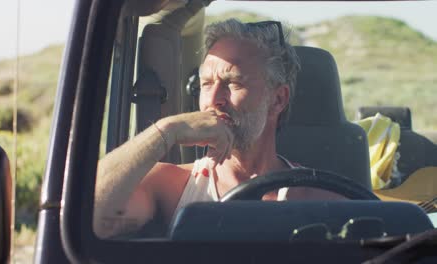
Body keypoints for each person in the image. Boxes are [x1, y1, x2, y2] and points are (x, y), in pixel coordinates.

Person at [94, 19, 345, 239]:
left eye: (232, 82)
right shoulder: (173, 186)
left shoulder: (321, 197)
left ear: (278, 99)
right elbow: (81, 218)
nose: (214, 99)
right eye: (206, 84)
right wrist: (166, 131)